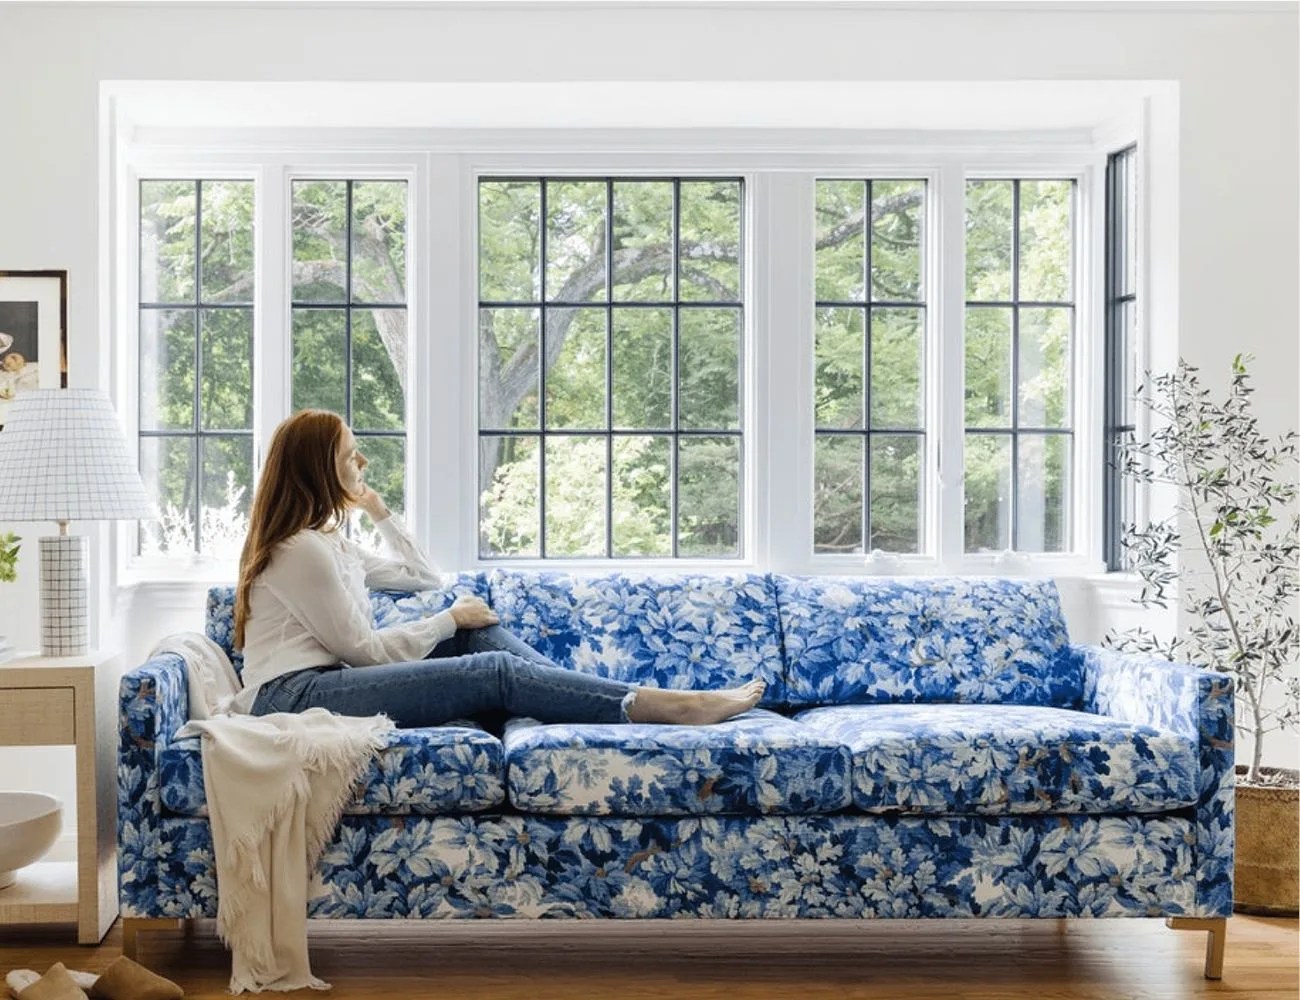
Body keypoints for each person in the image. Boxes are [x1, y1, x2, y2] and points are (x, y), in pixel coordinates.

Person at [231, 409, 765, 727]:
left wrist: (378, 511)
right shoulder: (300, 551)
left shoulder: (329, 541)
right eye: (351, 457)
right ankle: (664, 707)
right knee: (493, 671)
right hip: (292, 697)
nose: (362, 464)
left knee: (478, 638)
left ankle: (615, 698)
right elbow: (363, 653)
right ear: (319, 470)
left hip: (323, 682)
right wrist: (447, 620)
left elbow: (422, 577)